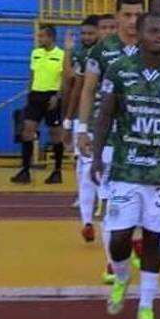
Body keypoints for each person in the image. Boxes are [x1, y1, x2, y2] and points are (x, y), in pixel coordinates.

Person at [91, 13, 160, 319]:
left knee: (154, 239)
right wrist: (98, 155)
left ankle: (147, 306)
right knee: (119, 237)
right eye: (153, 30)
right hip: (126, 166)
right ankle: (123, 276)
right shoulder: (119, 70)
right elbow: (106, 115)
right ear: (139, 34)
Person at [77, 0, 145, 284]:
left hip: (144, 140)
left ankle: (135, 244)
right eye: (127, 15)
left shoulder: (155, 47)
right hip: (108, 138)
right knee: (113, 201)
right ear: (116, 16)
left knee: (143, 202)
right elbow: (88, 91)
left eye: (137, 15)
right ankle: (110, 263)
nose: (132, 21)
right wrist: (82, 130)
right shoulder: (101, 51)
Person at [12, 24, 67, 185]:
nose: (40, 39)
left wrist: (58, 96)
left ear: (51, 37)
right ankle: (25, 170)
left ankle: (57, 171)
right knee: (27, 131)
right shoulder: (35, 53)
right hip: (35, 95)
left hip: (52, 96)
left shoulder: (61, 55)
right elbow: (32, 74)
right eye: (39, 36)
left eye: (42, 36)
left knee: (55, 134)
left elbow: (64, 78)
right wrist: (29, 93)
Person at [64, 15, 103, 241]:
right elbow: (74, 84)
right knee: (85, 165)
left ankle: (100, 207)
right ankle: (87, 218)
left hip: (113, 123)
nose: (88, 37)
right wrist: (69, 120)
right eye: (85, 34)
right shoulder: (85, 55)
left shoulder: (121, 53)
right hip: (87, 119)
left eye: (91, 33)